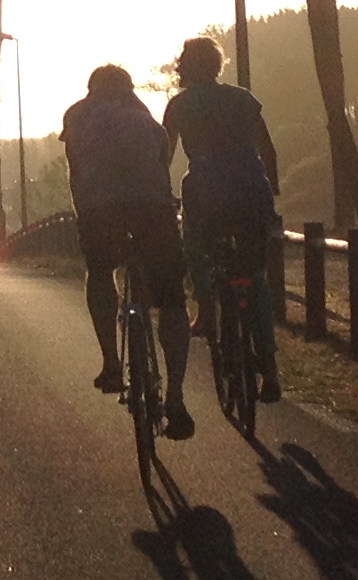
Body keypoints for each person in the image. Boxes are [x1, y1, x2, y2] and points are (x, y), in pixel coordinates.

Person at [57, 63, 191, 432]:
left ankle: (112, 364)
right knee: (172, 299)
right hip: (152, 209)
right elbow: (162, 164)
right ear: (128, 88)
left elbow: (75, 170)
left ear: (91, 88)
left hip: (101, 210)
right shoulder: (144, 117)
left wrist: (85, 210)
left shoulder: (77, 114)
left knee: (101, 273)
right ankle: (176, 397)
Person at [162, 36, 282, 406]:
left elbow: (163, 156)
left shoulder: (179, 105)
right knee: (254, 275)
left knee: (194, 243)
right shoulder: (243, 98)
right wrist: (270, 193)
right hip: (250, 191)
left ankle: (206, 310)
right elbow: (267, 148)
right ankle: (270, 369)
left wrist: (159, 196)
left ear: (185, 66)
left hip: (207, 192)